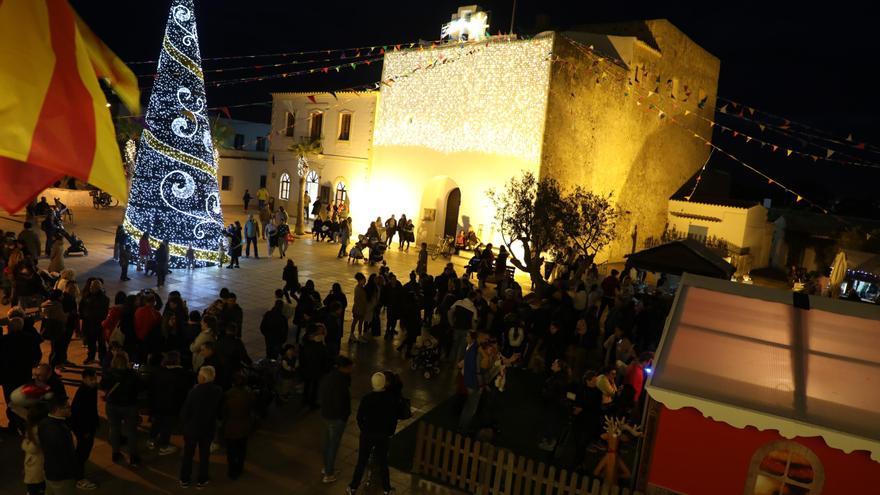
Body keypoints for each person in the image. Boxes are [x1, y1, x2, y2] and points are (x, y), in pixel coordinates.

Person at [346, 372, 399, 495]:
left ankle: (353, 487)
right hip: (383, 435)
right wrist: (390, 432)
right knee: (383, 462)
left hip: (367, 435)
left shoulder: (367, 398)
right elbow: (393, 419)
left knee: (361, 461)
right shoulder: (390, 399)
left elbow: (359, 417)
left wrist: (364, 429)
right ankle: (387, 489)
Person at [179, 366, 224, 488]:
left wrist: (184, 424)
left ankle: (185, 478)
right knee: (205, 455)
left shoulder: (193, 392)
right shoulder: (218, 391)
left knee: (188, 454)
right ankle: (202, 479)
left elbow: (185, 412)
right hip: (208, 428)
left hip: (192, 428)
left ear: (203, 378)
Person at [149, 352, 194, 456]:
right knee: (167, 425)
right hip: (173, 405)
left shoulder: (158, 372)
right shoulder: (183, 374)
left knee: (157, 422)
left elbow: (151, 388)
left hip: (158, 403)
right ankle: (164, 446)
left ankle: (151, 440)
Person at [100, 352, 141, 466]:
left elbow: (102, 386)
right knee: (131, 431)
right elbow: (140, 387)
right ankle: (133, 456)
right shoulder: (132, 374)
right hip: (129, 405)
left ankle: (115, 453)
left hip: (113, 405)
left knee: (114, 428)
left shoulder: (108, 373)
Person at [319, 356, 353, 484]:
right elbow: (340, 402)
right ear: (342, 368)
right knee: (333, 445)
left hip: (326, 414)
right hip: (336, 418)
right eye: (349, 367)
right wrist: (344, 415)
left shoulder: (328, 377)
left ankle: (326, 467)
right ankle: (329, 473)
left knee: (327, 442)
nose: (351, 370)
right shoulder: (340, 382)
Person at [38, 398, 78, 495]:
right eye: (67, 407)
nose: (70, 409)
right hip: (61, 475)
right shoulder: (58, 430)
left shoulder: (44, 422)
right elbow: (64, 455)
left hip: (49, 470)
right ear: (57, 409)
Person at [69, 369, 99, 490]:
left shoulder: (91, 389)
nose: (94, 381)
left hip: (88, 426)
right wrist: (84, 431)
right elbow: (78, 414)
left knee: (84, 451)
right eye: (91, 379)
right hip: (84, 428)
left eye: (95, 379)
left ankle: (76, 472)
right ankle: (78, 477)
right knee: (82, 452)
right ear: (84, 379)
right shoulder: (83, 393)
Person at [224, 372, 254, 480]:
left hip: (231, 426)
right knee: (242, 449)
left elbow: (224, 411)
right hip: (244, 425)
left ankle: (232, 471)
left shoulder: (228, 394)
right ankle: (240, 468)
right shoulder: (249, 393)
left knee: (231, 451)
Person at [299, 325, 331, 409]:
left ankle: (305, 400)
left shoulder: (305, 343)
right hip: (316, 369)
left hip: (307, 368)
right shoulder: (319, 345)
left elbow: (302, 357)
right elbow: (324, 358)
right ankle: (312, 402)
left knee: (308, 384)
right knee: (314, 386)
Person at [81, 279, 110, 365]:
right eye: (91, 286)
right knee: (91, 342)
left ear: (98, 288)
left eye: (93, 286)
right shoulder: (86, 297)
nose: (91, 288)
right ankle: (91, 356)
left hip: (98, 324)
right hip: (88, 323)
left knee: (101, 343)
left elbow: (104, 313)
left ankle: (102, 358)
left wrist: (89, 314)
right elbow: (81, 307)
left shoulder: (104, 299)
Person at [22, 409, 45, 495]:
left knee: (34, 487)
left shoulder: (32, 429)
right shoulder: (37, 430)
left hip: (34, 464)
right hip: (36, 464)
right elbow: (33, 448)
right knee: (37, 487)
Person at [349, 273, 368, 343]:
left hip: (360, 308)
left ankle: (358, 335)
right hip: (359, 308)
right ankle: (353, 335)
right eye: (363, 280)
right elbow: (360, 300)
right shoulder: (358, 289)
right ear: (360, 280)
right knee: (356, 322)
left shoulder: (361, 287)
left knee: (359, 322)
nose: (365, 281)